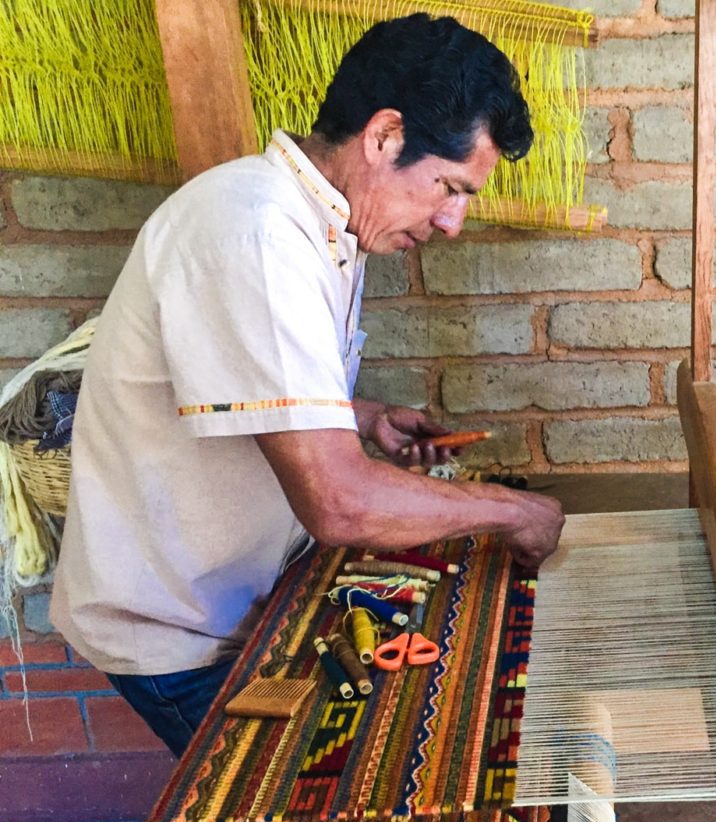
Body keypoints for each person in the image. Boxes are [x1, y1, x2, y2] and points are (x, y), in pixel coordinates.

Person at [50, 13, 565, 756]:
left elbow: (237, 373)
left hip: (240, 590)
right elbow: (339, 501)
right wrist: (510, 511)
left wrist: (356, 416)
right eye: (449, 188)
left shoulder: (316, 224)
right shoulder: (256, 232)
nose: (451, 222)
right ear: (385, 136)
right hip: (180, 628)